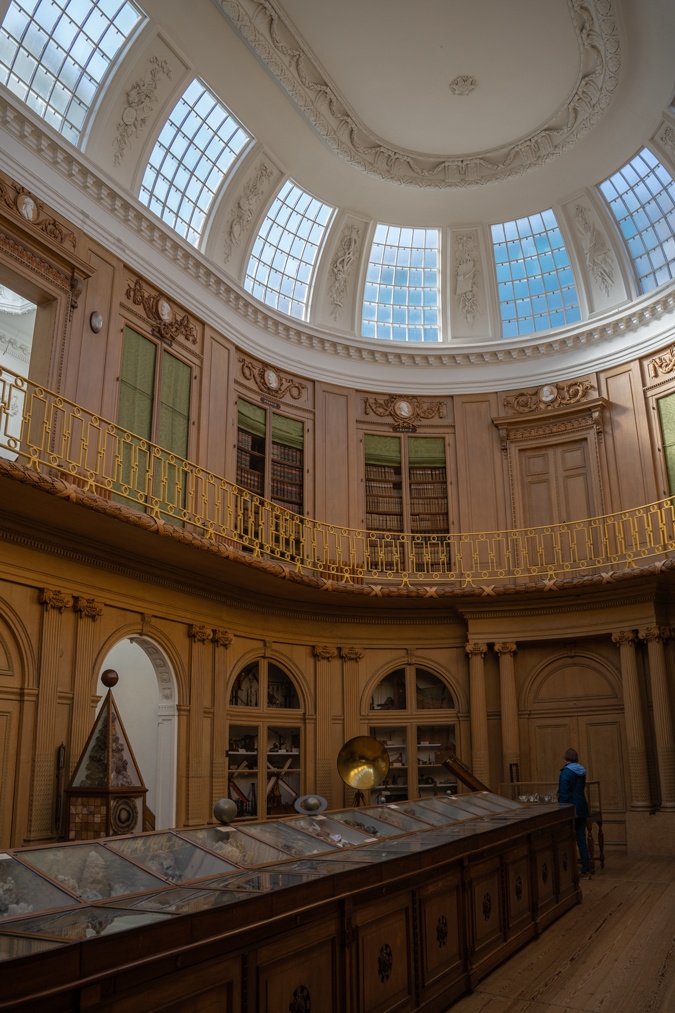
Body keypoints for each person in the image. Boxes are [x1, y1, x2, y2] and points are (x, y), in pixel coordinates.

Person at [558, 747, 592, 879]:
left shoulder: (566, 772)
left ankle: (569, 869)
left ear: (565, 758)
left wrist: (562, 810)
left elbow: (563, 793)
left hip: (571, 808)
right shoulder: (581, 771)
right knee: (581, 839)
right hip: (582, 806)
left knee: (568, 839)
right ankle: (586, 868)